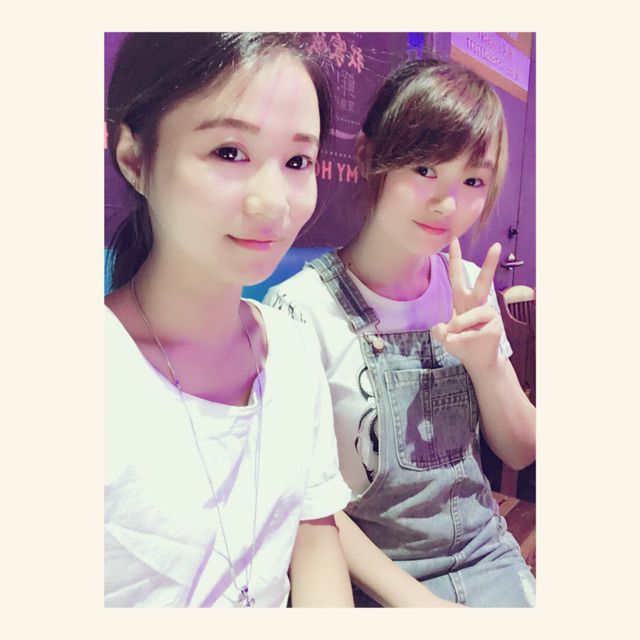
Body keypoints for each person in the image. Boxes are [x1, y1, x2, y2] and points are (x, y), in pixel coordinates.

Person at [264, 58, 537, 607]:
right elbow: (307, 502)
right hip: (370, 578)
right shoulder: (299, 310)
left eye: (472, 180)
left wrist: (487, 364)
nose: (447, 203)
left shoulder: (469, 288)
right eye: (424, 168)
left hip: (487, 556)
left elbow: (521, 449)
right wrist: (426, 607)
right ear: (368, 156)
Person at [104, 32, 355, 608]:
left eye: (297, 161)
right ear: (135, 158)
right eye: (228, 152)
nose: (273, 203)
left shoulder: (291, 347)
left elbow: (315, 538)